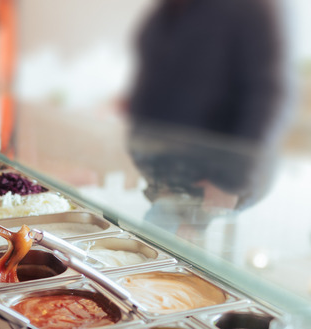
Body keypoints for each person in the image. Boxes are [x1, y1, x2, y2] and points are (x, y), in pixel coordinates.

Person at [125, 0, 294, 240]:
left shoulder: (254, 7)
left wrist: (231, 181)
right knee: (153, 252)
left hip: (218, 180)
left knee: (181, 263)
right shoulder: (168, 10)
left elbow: (270, 96)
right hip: (168, 178)